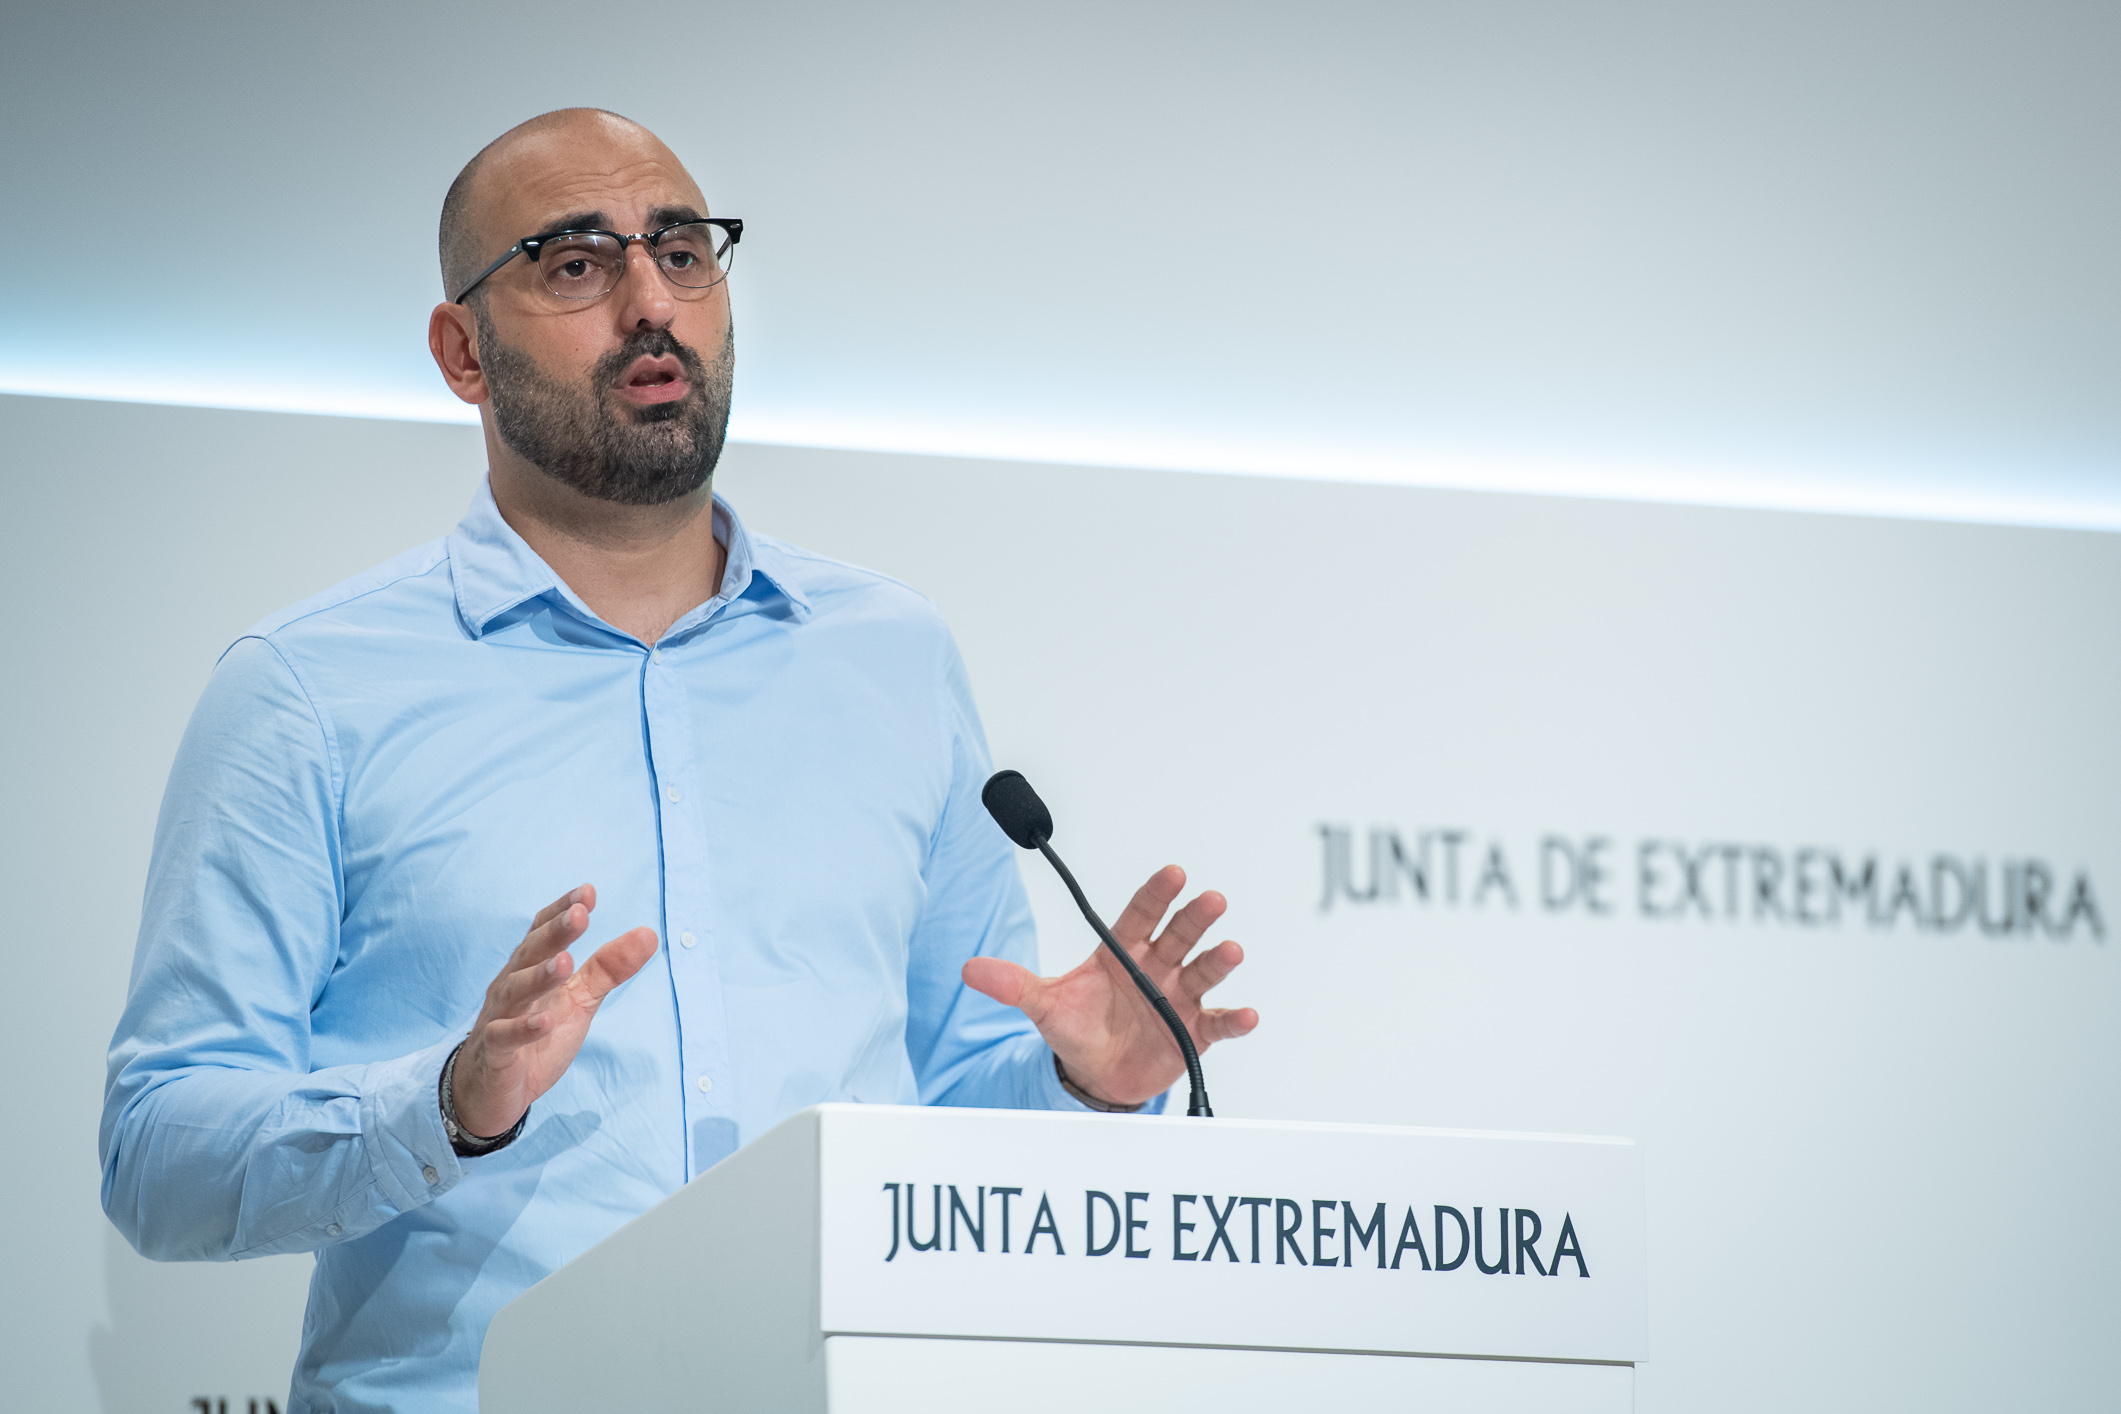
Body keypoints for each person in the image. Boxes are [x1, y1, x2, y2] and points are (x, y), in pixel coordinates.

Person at [98, 108, 1258, 1413]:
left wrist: (1073, 1084)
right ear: (460, 351)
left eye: (683, 251)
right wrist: (443, 1104)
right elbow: (157, 1151)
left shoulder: (890, 657)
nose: (651, 301)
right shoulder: (307, 689)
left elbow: (946, 1122)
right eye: (575, 262)